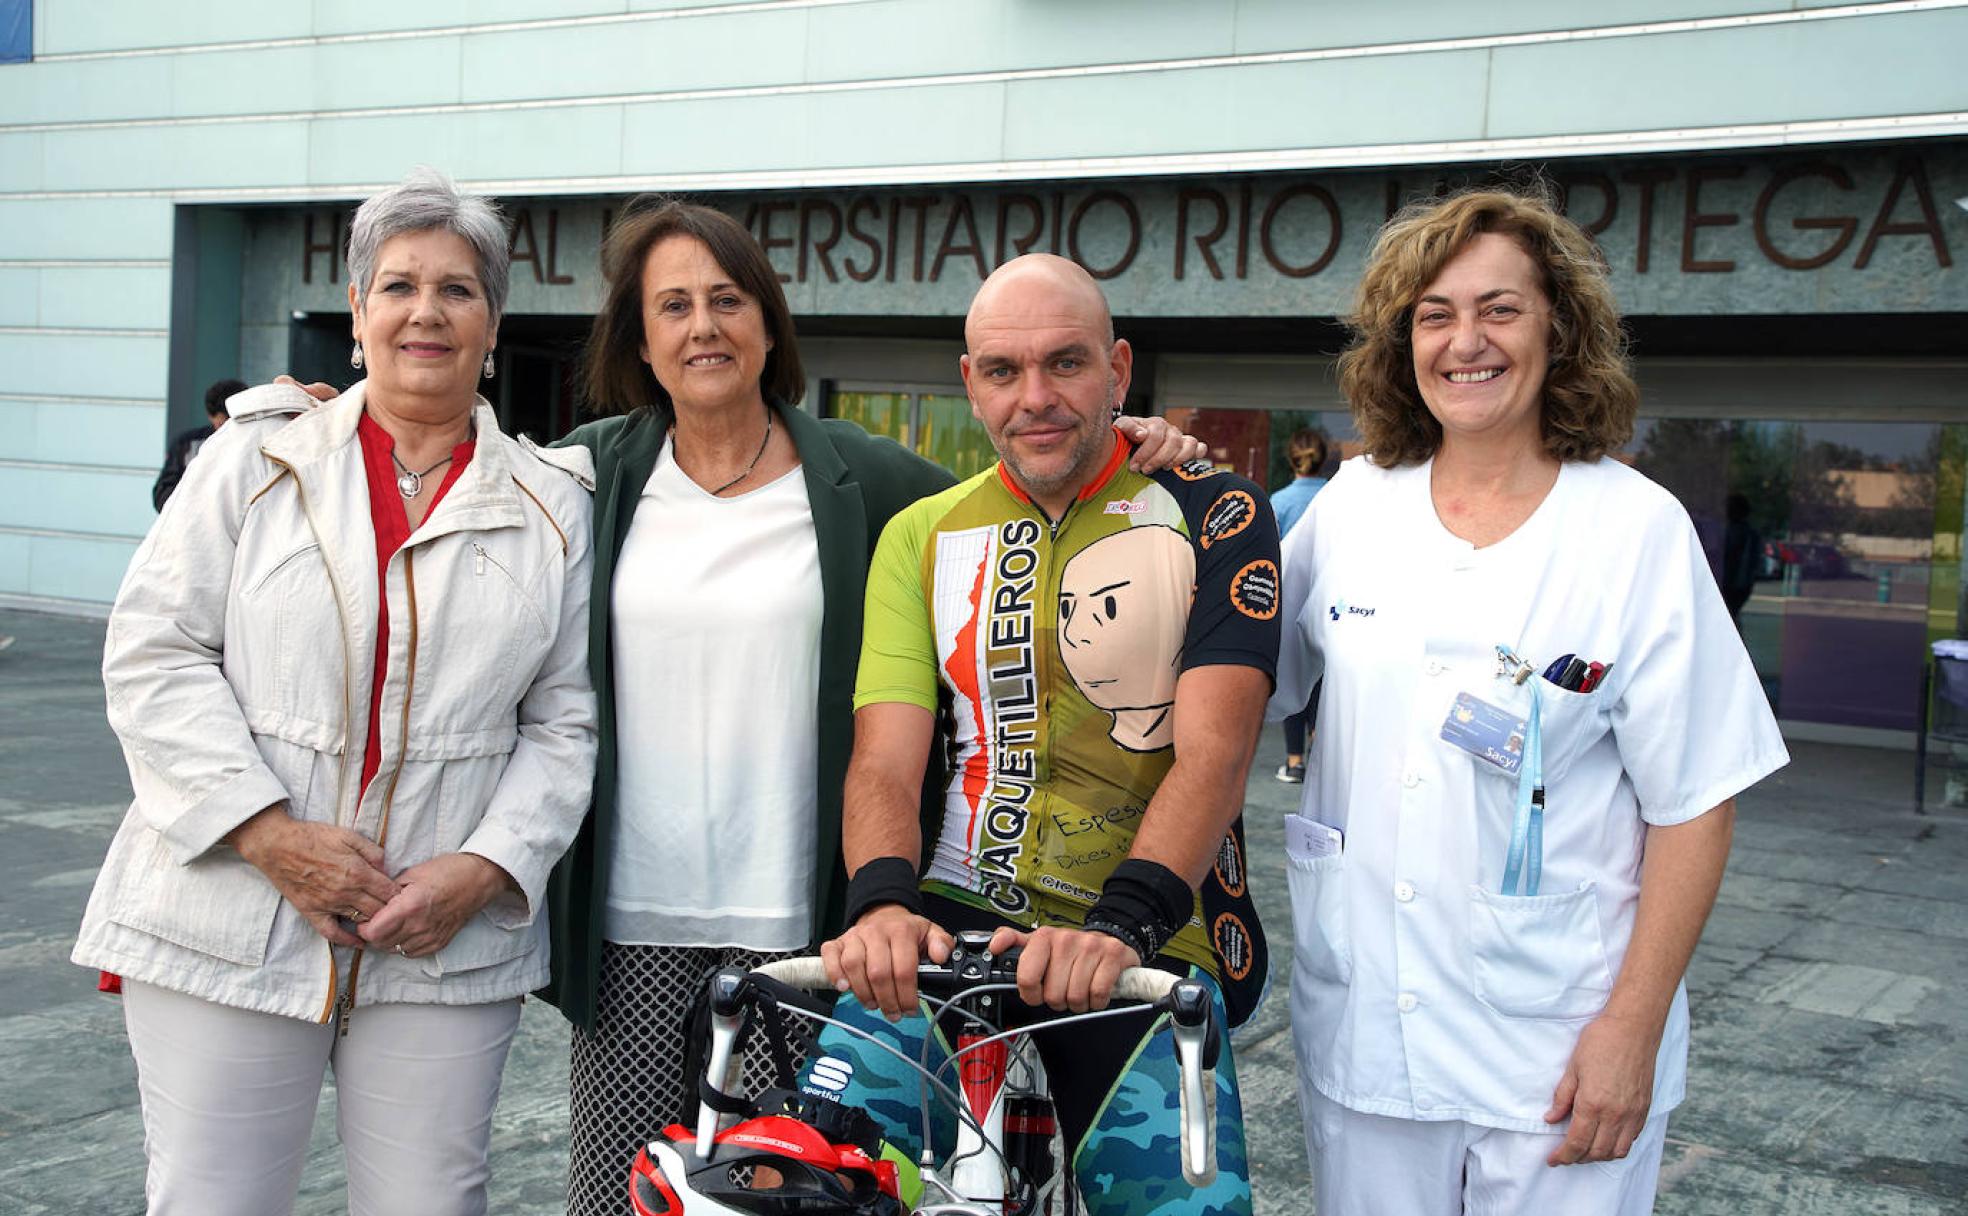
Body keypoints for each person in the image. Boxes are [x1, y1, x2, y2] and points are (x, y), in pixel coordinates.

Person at [532, 202, 1207, 1216]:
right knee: (629, 1198)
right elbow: (458, 468)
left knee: (816, 1188)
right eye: (672, 305)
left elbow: (1027, 472)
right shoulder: (587, 473)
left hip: (807, 928)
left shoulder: (866, 478)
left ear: (768, 323)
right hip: (633, 920)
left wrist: (1140, 440)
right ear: (638, 336)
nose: (702, 326)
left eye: (726, 299)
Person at [72, 168, 598, 1216]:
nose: (426, 311)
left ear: (492, 322)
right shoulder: (252, 458)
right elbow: (153, 652)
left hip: (442, 939)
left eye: (458, 288)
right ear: (357, 314)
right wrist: (268, 834)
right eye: (397, 284)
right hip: (230, 910)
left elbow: (564, 718)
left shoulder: (554, 505)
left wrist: (487, 866)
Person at [1269, 189, 1788, 1216]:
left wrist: (1632, 1030)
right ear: (1402, 341)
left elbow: (1696, 802)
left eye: (1500, 309)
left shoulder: (1634, 529)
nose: (1467, 341)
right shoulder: (1350, 509)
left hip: (1560, 1051)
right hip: (1372, 1023)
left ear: (1560, 327)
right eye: (1435, 314)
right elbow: (1230, 677)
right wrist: (1148, 494)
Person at [815, 253, 1279, 1216]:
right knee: (812, 1182)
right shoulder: (921, 534)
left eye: (1065, 365)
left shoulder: (1213, 511)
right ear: (970, 384)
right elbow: (886, 758)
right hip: (952, 919)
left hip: (1153, 932)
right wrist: (882, 907)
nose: (1036, 398)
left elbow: (1217, 755)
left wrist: (1117, 928)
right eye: (1002, 371)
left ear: (1117, 370)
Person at [1268, 427, 1328, 783]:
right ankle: (1322, 756)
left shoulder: (1278, 501)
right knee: (1324, 685)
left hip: (1290, 606)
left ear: (1290, 460)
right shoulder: (1339, 497)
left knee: (1291, 679)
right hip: (1334, 607)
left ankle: (1294, 762)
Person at [151, 377, 245, 510]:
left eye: (234, 422)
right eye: (222, 424)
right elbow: (162, 494)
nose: (228, 430)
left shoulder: (260, 445)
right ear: (210, 416)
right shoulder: (188, 444)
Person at [1721, 492, 1761, 627]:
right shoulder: (1750, 532)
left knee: (1729, 616)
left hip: (1733, 582)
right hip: (1741, 583)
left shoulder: (1735, 531)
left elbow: (1729, 554)